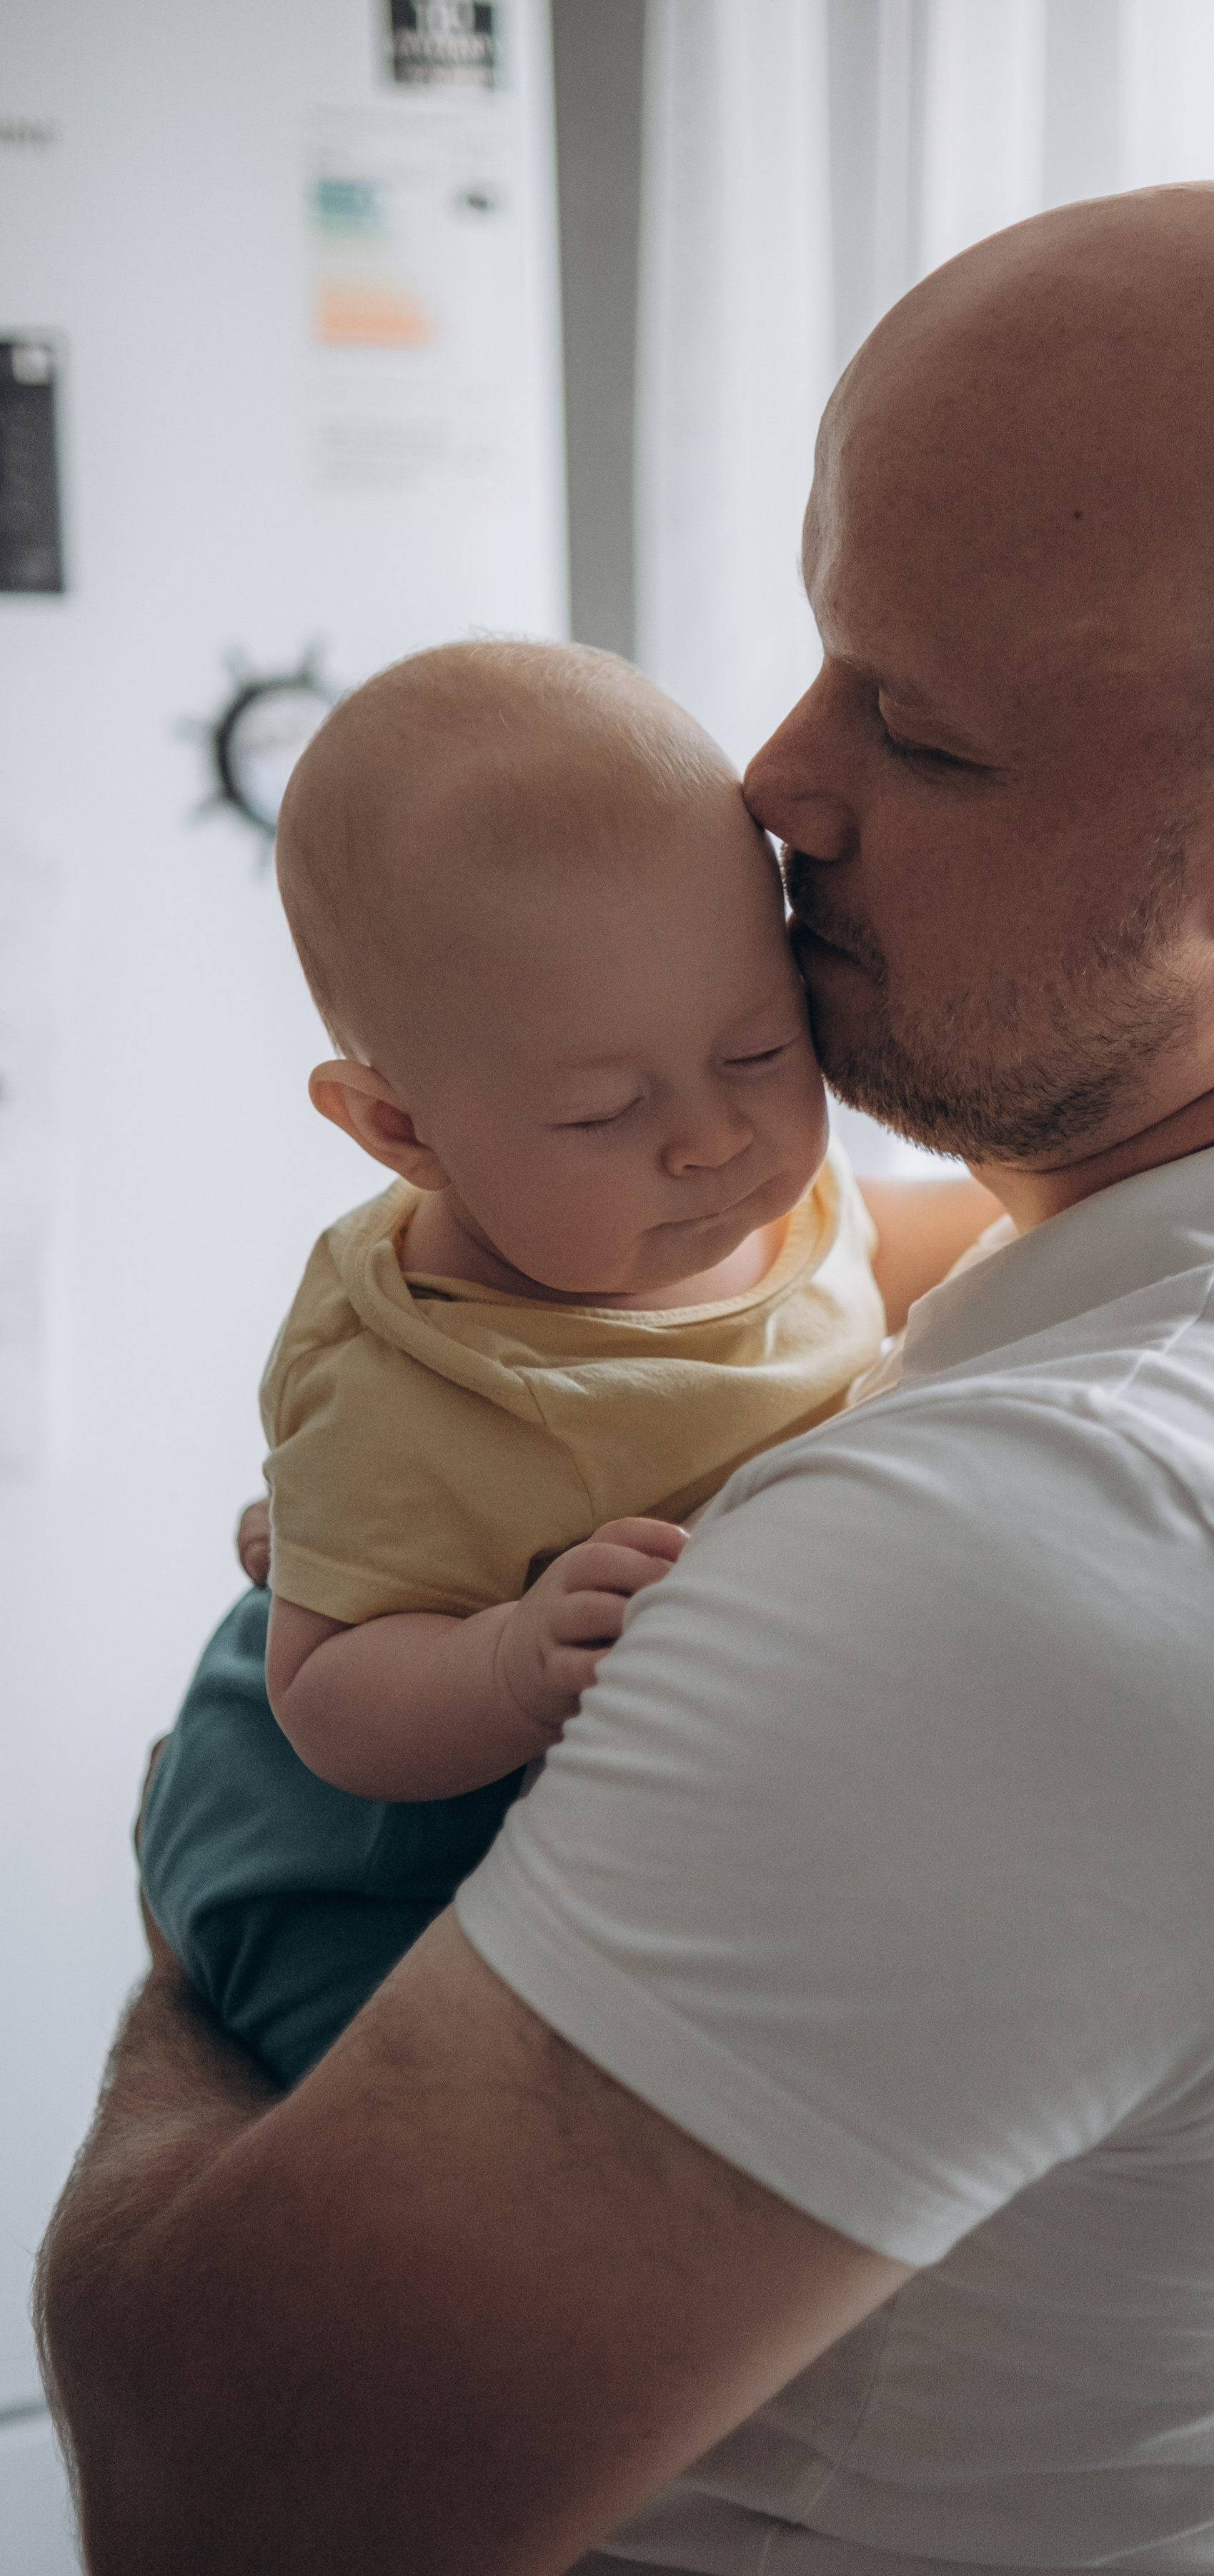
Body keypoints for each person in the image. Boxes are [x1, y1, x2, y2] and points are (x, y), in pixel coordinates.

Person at [35, 180, 1214, 2576]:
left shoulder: (1039, 1558)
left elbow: (216, 2535)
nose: (772, 781)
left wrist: (223, 1841)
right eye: (821, 654)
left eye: (926, 726)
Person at [137, 638, 990, 2085]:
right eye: (603, 1110)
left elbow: (873, 1259)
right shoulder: (412, 1373)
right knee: (407, 2119)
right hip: (359, 1856)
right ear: (398, 1131)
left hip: (587, 1817)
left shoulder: (756, 1195)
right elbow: (326, 1689)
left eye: (758, 1053)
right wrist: (505, 1663)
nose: (711, 1138)